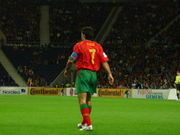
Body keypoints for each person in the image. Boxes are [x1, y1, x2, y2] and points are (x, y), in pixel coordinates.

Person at [64, 26, 114, 131]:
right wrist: (109, 73)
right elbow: (104, 61)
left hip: (83, 74)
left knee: (82, 100)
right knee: (88, 100)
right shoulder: (98, 46)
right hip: (93, 75)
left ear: (83, 35)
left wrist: (67, 70)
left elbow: (71, 59)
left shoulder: (79, 45)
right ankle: (84, 122)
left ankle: (89, 124)